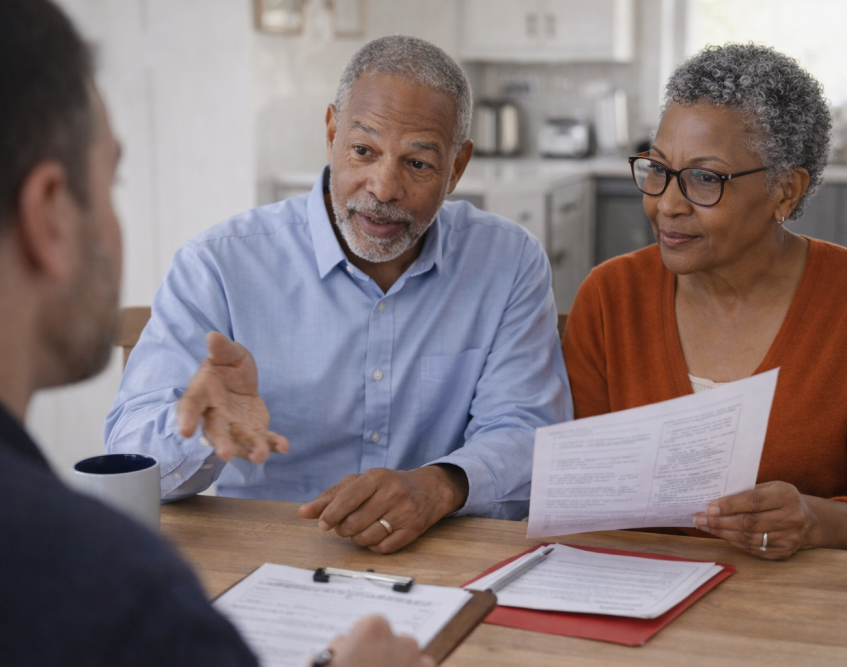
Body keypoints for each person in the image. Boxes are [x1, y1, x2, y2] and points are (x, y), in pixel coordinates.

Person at [0, 1, 432, 665]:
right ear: (50, 215)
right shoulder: (118, 595)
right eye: (110, 178)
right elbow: (133, 453)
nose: (383, 185)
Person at [105, 35, 571, 554]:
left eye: (417, 163)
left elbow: (529, 433)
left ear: (457, 168)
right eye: (363, 151)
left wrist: (440, 485)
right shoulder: (218, 264)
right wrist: (199, 434)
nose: (383, 187)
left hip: (440, 557)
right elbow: (129, 458)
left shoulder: (507, 262)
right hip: (261, 558)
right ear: (332, 134)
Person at [562, 43, 847, 560]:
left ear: (785, 192)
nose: (665, 204)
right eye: (656, 168)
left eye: (705, 178)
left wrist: (817, 520)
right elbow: (580, 499)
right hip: (635, 601)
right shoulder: (610, 297)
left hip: (801, 613)